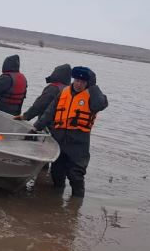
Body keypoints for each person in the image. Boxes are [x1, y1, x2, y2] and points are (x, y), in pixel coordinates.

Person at [32, 66, 108, 197]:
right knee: (57, 173)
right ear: (73, 79)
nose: (79, 84)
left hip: (79, 142)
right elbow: (49, 112)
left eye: (83, 82)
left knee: (76, 175)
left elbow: (100, 105)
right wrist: (36, 127)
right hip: (59, 138)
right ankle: (56, 202)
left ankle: (76, 203)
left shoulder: (93, 95)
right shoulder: (63, 92)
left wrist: (94, 87)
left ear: (88, 83)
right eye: (77, 80)